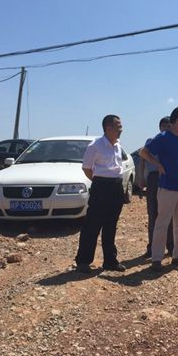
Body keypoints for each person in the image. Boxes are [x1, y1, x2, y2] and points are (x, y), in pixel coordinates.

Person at [140, 106, 178, 271]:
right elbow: (144, 152)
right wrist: (157, 164)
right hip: (167, 187)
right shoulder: (162, 137)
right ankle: (156, 258)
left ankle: (177, 256)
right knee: (162, 222)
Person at [74, 115, 127, 273]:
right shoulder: (95, 145)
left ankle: (110, 261)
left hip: (116, 187)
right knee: (92, 225)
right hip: (101, 187)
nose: (121, 129)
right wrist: (99, 181)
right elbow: (86, 168)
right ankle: (83, 261)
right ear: (108, 128)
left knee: (111, 225)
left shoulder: (118, 145)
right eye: (118, 126)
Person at [139, 116, 174, 259]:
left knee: (169, 214)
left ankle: (171, 246)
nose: (166, 128)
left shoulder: (175, 142)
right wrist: (141, 177)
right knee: (153, 213)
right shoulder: (151, 141)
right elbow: (142, 158)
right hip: (154, 178)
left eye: (169, 126)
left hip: (169, 178)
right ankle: (152, 248)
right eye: (164, 126)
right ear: (160, 127)